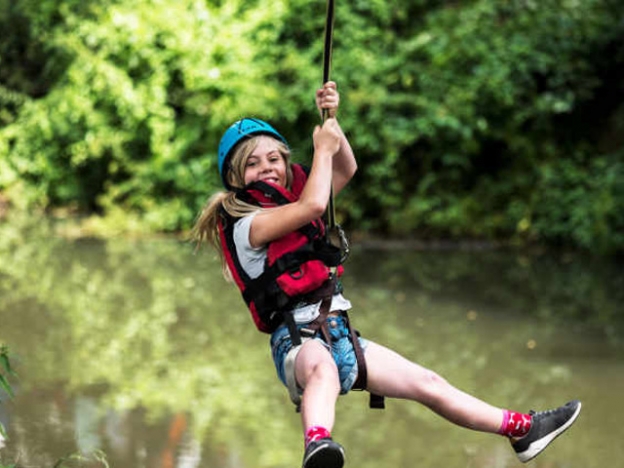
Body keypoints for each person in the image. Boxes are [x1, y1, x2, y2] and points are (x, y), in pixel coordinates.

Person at [193, 81, 581, 468]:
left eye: (273, 159)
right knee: (323, 372)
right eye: (253, 163)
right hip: (296, 340)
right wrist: (321, 148)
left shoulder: (292, 199)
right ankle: (317, 446)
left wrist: (332, 119)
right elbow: (315, 203)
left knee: (428, 383)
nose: (267, 169)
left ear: (283, 160)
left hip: (339, 333)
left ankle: (522, 430)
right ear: (235, 178)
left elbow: (345, 167)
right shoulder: (249, 224)